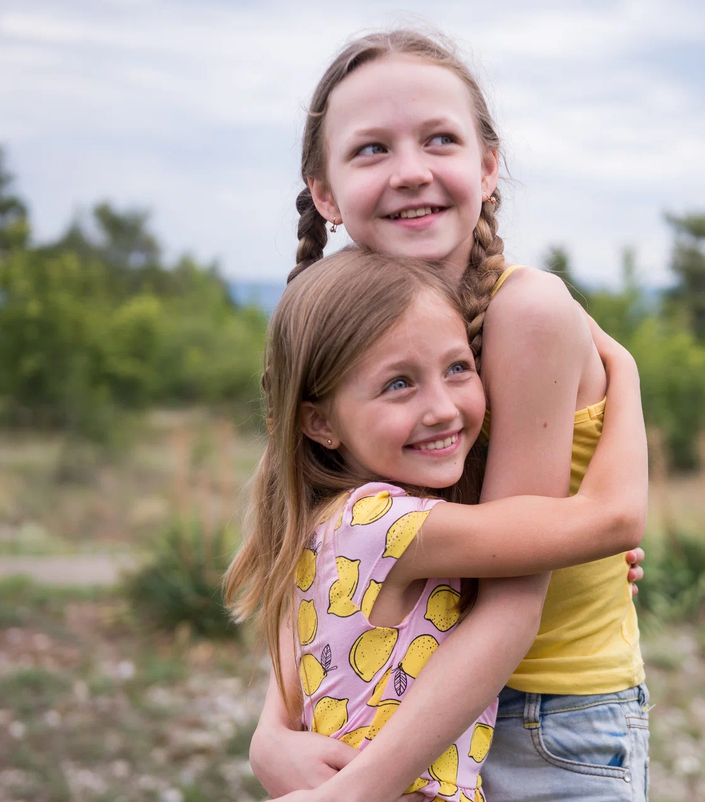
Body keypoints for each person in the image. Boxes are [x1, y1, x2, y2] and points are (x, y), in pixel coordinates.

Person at [247, 28, 651, 801]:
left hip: (538, 716)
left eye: (440, 139)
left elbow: (510, 605)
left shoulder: (525, 315)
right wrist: (274, 729)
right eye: (371, 150)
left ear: (487, 165)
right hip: (405, 707)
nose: (410, 172)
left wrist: (359, 785)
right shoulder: (346, 323)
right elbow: (317, 549)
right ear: (324, 192)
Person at [225, 248, 646, 801]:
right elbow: (614, 519)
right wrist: (627, 374)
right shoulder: (383, 524)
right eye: (399, 384)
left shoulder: (324, 520)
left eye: (457, 369)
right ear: (320, 422)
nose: (443, 407)